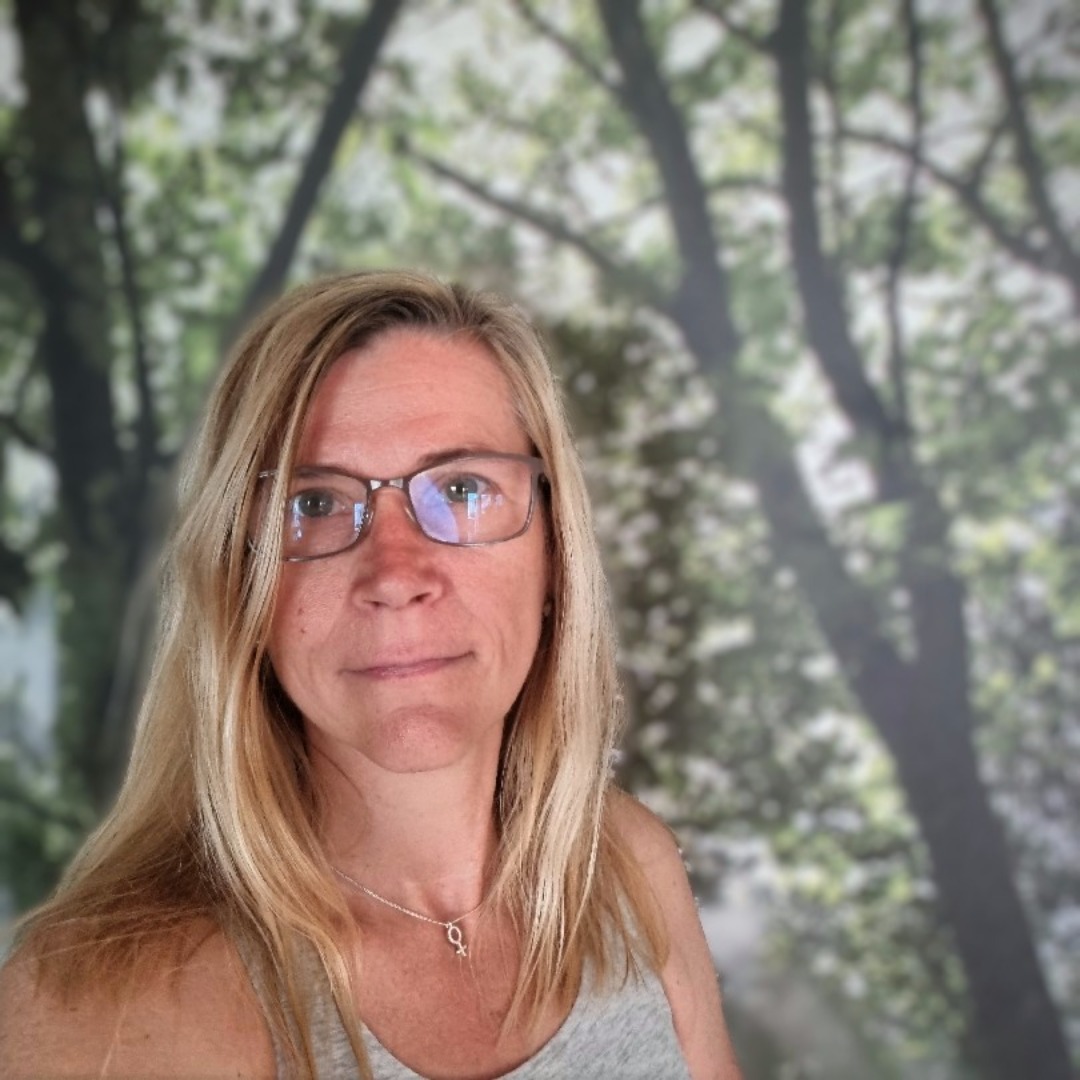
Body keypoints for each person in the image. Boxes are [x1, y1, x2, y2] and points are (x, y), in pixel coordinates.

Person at [0, 270, 742, 1079]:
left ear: (555, 553)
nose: (395, 573)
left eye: (463, 489)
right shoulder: (100, 1006)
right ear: (238, 582)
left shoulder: (629, 869)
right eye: (313, 504)